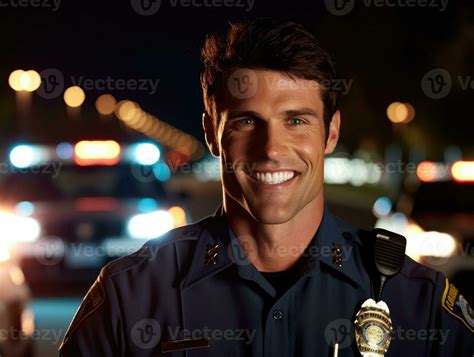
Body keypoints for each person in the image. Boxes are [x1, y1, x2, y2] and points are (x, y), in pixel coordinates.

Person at [59, 19, 473, 356]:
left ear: (330, 133)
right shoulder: (131, 297)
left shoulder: (418, 304)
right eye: (245, 121)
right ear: (211, 133)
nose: (271, 149)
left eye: (296, 120)